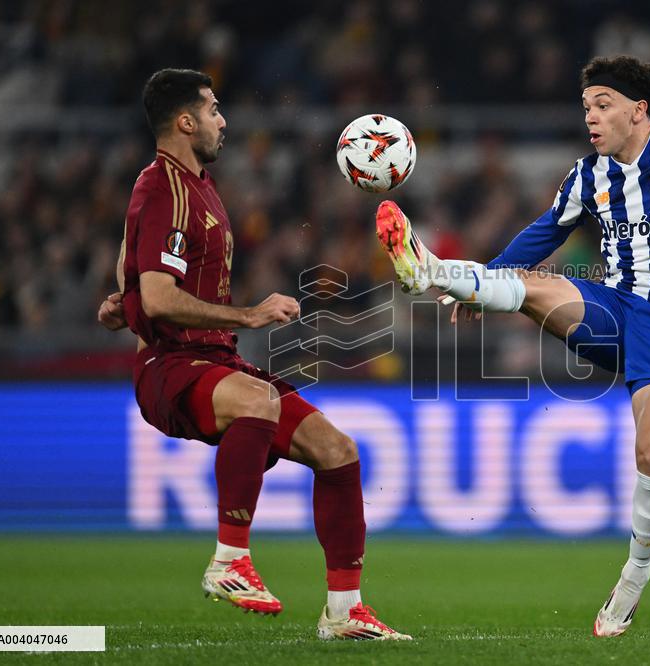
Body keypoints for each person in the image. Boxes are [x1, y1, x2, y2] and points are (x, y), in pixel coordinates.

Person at [376, 55, 650, 637]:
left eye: (603, 105)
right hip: (613, 311)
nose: (591, 117)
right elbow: (545, 231)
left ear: (639, 110)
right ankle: (434, 269)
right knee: (533, 287)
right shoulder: (588, 176)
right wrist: (484, 282)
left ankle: (634, 578)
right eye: (586, 106)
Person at [97, 68, 409, 641]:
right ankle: (228, 560)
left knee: (337, 452)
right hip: (170, 368)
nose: (223, 120)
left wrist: (124, 297)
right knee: (260, 400)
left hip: (213, 362)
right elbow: (162, 297)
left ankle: (345, 611)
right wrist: (248, 314)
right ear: (185, 121)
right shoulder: (163, 186)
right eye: (213, 109)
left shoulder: (193, 184)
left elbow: (132, 262)